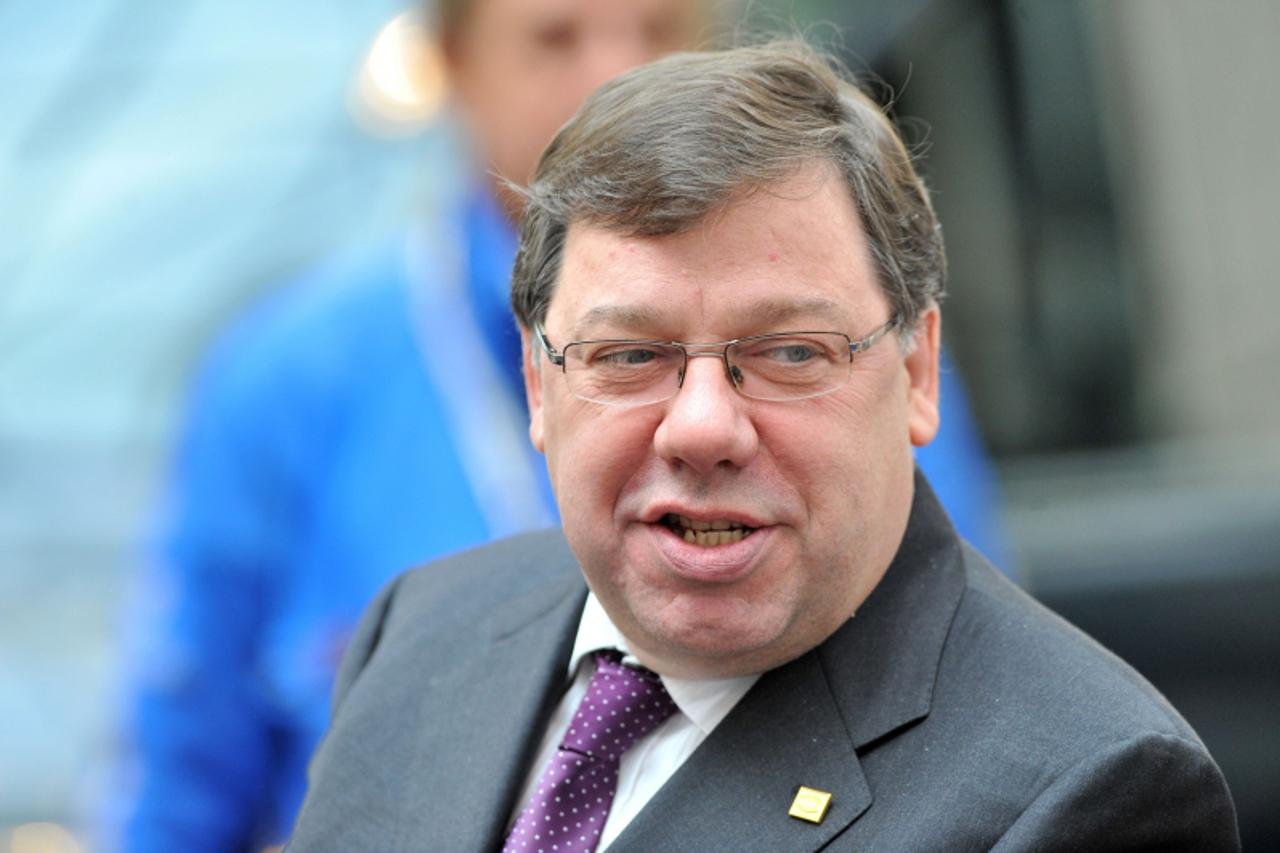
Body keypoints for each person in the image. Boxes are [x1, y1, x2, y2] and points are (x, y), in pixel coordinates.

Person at [289, 40, 1239, 851]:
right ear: (540, 386)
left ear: (916, 372)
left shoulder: (1084, 790)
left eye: (790, 353)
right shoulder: (420, 632)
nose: (703, 427)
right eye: (629, 353)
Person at [106, 2, 708, 850]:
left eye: (659, 32)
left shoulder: (830, 358)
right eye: (554, 37)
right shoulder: (288, 381)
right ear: (454, 63)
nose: (617, 81)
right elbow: (181, 789)